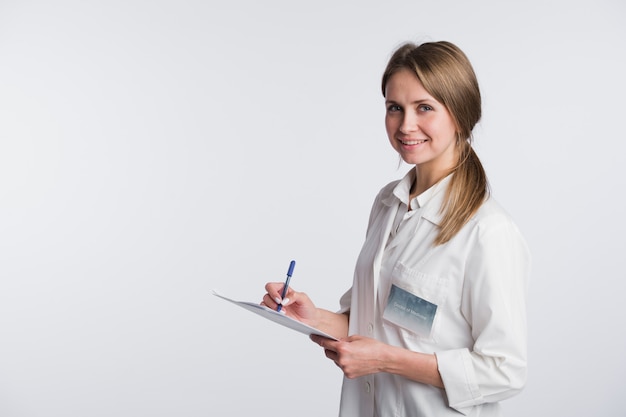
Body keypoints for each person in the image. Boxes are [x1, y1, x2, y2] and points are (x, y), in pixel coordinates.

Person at [262, 40, 530, 417]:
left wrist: (386, 360)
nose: (405, 125)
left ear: (460, 113)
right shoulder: (387, 203)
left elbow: (505, 371)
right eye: (394, 108)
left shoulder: (488, 231)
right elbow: (370, 321)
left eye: (424, 108)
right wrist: (310, 316)